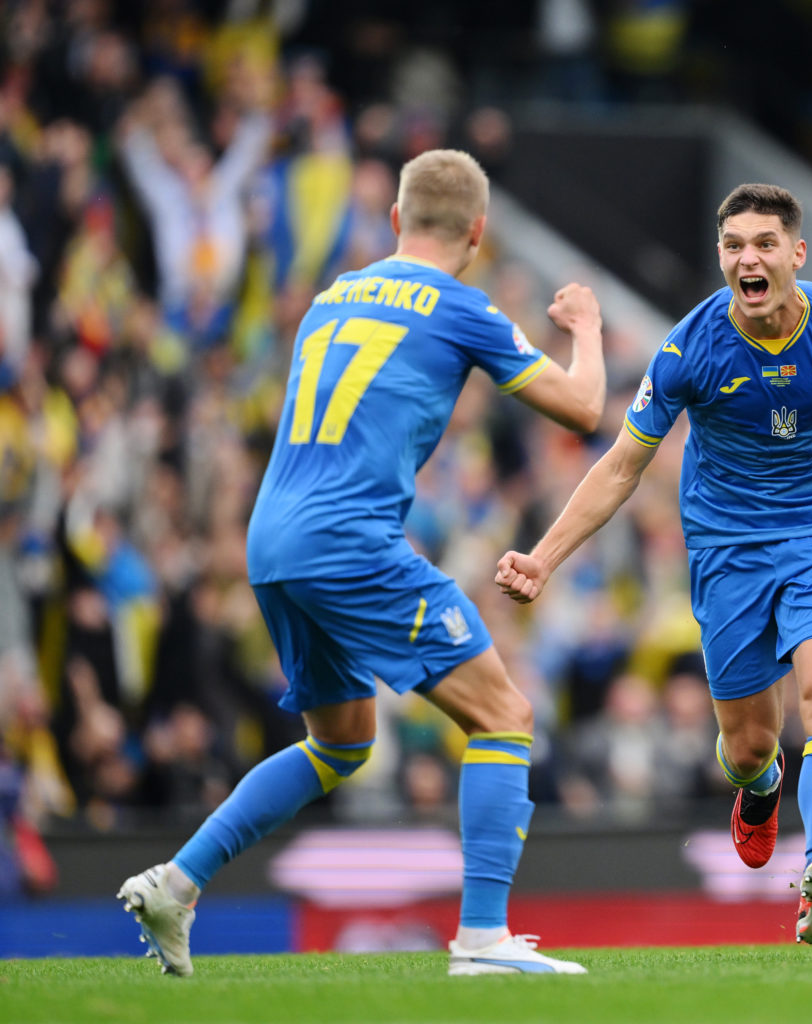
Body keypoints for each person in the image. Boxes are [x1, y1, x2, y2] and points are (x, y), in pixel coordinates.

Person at [118, 150, 607, 977]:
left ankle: (176, 881)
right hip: (349, 541)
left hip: (271, 540)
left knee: (342, 741)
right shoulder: (463, 305)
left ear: (395, 221)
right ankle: (483, 940)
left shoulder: (329, 299)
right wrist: (587, 327)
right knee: (503, 716)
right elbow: (585, 407)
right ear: (478, 233)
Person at [495, 183, 812, 948]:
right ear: (722, 257)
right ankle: (760, 791)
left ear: (796, 254)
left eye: (763, 244)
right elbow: (622, 465)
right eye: (733, 246)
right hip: (729, 546)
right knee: (751, 744)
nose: (747, 258)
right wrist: (544, 558)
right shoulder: (688, 348)